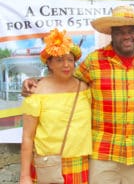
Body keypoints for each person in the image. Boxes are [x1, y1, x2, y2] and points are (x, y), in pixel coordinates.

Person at [22, 5, 134, 184]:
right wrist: (36, 81)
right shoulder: (94, 61)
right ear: (111, 34)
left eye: (131, 30)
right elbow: (65, 79)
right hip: (102, 154)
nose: (127, 36)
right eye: (120, 31)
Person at [20, 28, 92, 184]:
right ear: (49, 64)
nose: (66, 65)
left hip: (80, 163)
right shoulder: (36, 92)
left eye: (70, 60)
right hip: (48, 164)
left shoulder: (85, 89)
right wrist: (24, 176)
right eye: (59, 60)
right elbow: (27, 137)